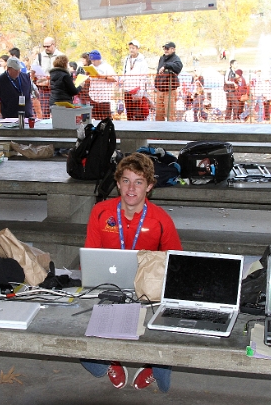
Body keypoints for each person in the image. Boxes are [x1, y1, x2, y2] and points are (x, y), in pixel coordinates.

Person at [81, 153, 182, 392]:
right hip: (107, 283)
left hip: (149, 286)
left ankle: (153, 366)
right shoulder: (100, 211)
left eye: (138, 182)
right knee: (73, 322)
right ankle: (108, 361)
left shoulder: (161, 220)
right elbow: (91, 254)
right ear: (117, 183)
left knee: (168, 325)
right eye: (126, 180)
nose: (131, 188)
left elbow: (176, 262)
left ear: (149, 186)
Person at [33, 37, 65, 118]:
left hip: (57, 88)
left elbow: (66, 72)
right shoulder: (39, 56)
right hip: (44, 89)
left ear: (53, 45)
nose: (46, 48)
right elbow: (33, 69)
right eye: (44, 46)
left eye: (48, 46)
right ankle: (46, 129)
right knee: (45, 112)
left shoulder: (61, 56)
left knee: (58, 111)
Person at [121, 40, 149, 121]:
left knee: (138, 114)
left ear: (137, 49)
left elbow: (144, 77)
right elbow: (124, 72)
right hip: (127, 90)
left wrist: (141, 92)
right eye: (130, 48)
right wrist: (122, 81)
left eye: (133, 48)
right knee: (129, 112)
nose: (131, 50)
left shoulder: (142, 61)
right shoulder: (126, 60)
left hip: (137, 90)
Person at [154, 42, 183, 121]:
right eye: (164, 48)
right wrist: (156, 84)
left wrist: (166, 66)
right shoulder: (162, 58)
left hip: (170, 90)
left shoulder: (176, 59)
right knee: (158, 114)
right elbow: (158, 72)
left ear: (173, 49)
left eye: (167, 48)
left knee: (170, 114)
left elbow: (178, 67)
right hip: (160, 89)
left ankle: (171, 131)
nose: (165, 50)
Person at [87, 50, 117, 120]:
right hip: (93, 96)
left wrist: (102, 77)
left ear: (99, 59)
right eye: (91, 60)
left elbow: (114, 79)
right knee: (95, 118)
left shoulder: (107, 67)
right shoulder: (91, 66)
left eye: (94, 60)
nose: (93, 62)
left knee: (106, 118)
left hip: (104, 97)